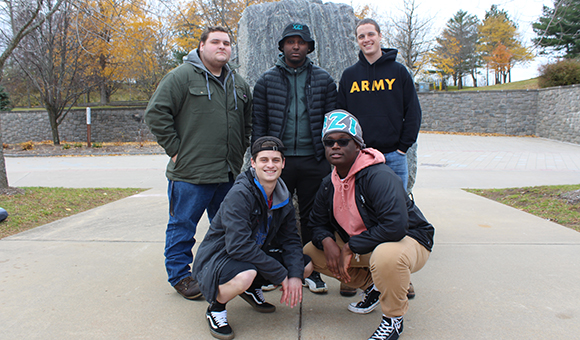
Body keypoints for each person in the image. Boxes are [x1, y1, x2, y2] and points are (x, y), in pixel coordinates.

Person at [303, 110, 434, 340]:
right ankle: (373, 287)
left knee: (387, 256)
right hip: (368, 242)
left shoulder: (378, 176)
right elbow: (316, 223)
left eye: (343, 141)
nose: (335, 146)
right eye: (329, 142)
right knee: (311, 253)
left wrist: (350, 247)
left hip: (410, 239)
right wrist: (327, 240)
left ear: (358, 146)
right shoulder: (329, 183)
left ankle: (393, 319)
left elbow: (395, 226)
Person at [144, 26, 252, 300]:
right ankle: (180, 276)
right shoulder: (181, 77)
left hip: (227, 173)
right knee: (183, 226)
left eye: (227, 43)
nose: (222, 47)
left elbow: (247, 122)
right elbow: (156, 113)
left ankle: (224, 271)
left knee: (228, 228)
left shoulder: (238, 83)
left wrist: (241, 151)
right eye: (215, 42)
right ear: (201, 46)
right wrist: (175, 149)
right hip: (191, 173)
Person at [192, 136, 312, 340]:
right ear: (253, 163)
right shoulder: (240, 194)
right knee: (245, 275)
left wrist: (293, 275)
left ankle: (251, 290)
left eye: (275, 160)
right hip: (219, 258)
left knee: (304, 266)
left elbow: (291, 240)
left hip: (254, 252)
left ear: (283, 163)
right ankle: (216, 308)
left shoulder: (283, 196)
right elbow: (238, 247)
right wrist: (281, 275)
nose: (270, 165)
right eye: (264, 160)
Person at [252, 22, 337, 294]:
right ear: (283, 47)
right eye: (290, 41)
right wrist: (262, 159)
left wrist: (329, 157)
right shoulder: (267, 80)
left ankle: (313, 270)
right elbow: (259, 123)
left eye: (301, 42)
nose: (296, 46)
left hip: (314, 160)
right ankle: (271, 269)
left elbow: (332, 122)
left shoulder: (324, 79)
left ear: (309, 47)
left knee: (314, 216)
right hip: (280, 162)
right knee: (273, 213)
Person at [337, 18, 422, 192]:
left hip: (394, 156)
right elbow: (342, 116)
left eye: (370, 34)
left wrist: (402, 148)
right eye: (361, 36)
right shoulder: (349, 75)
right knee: (362, 210)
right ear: (357, 41)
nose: (366, 39)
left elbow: (413, 111)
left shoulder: (398, 72)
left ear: (380, 36)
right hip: (360, 156)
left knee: (397, 210)